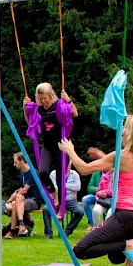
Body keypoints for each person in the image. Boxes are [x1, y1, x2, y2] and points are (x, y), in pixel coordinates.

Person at [58, 114, 133, 266]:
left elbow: (83, 169)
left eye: (125, 129)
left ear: (132, 134)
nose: (122, 132)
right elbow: (112, 167)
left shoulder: (122, 156)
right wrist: (101, 155)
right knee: (115, 257)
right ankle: (129, 246)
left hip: (126, 216)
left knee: (80, 249)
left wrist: (70, 151)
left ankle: (129, 245)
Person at [25, 83, 78, 211]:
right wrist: (24, 107)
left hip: (62, 146)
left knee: (60, 177)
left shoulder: (59, 105)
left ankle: (61, 207)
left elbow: (75, 113)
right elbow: (30, 123)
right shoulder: (39, 109)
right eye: (41, 99)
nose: (44, 101)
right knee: (42, 172)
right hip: (48, 146)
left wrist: (68, 99)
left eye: (45, 98)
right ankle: (55, 197)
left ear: (50, 95)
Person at [3, 153, 38, 238]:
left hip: (35, 200)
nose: (14, 164)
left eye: (15, 162)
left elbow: (24, 190)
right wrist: (11, 200)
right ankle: (13, 230)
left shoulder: (32, 173)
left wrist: (10, 200)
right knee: (15, 203)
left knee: (18, 198)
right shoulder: (22, 172)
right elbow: (21, 189)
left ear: (22, 161)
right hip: (23, 200)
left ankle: (20, 226)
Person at [52, 164, 85, 236]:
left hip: (70, 200)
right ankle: (48, 234)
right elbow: (54, 188)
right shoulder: (54, 174)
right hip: (56, 199)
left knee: (80, 212)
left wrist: (63, 185)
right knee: (46, 210)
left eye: (68, 165)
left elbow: (77, 187)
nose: (66, 167)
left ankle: (67, 232)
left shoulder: (75, 174)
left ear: (70, 166)